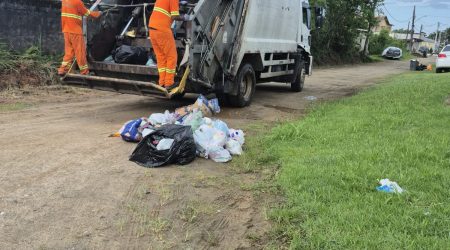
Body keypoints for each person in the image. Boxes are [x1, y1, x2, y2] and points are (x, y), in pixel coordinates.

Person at [149, 0, 189, 90]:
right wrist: (184, 17)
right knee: (172, 56)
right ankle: (169, 83)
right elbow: (175, 16)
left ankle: (162, 82)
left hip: (152, 29)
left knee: (161, 57)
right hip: (162, 29)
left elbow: (166, 10)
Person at [58, 0, 102, 76]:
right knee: (80, 52)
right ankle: (85, 72)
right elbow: (87, 13)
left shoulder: (64, 1)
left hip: (66, 30)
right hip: (75, 31)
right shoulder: (77, 2)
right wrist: (98, 14)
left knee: (69, 52)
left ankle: (63, 70)